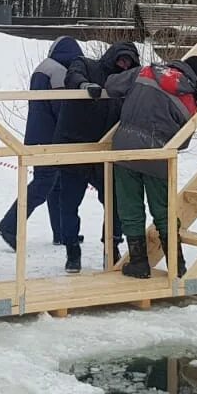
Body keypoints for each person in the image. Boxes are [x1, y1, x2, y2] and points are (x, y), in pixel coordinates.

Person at [98, 55, 197, 279]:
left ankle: (138, 263)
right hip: (159, 155)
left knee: (130, 207)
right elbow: (183, 141)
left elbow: (111, 84)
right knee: (163, 209)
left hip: (125, 148)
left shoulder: (146, 72)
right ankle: (177, 263)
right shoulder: (190, 100)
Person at [52, 41, 141, 271]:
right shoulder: (87, 65)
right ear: (112, 56)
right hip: (75, 145)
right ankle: (72, 249)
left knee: (114, 202)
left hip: (106, 151)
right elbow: (73, 75)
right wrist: (84, 85)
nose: (123, 65)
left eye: (128, 63)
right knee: (69, 202)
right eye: (121, 59)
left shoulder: (129, 84)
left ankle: (111, 247)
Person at [0, 36, 84, 256]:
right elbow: (61, 107)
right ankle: (9, 225)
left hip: (37, 133)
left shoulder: (44, 68)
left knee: (54, 184)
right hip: (51, 136)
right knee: (44, 184)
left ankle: (60, 232)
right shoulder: (60, 72)